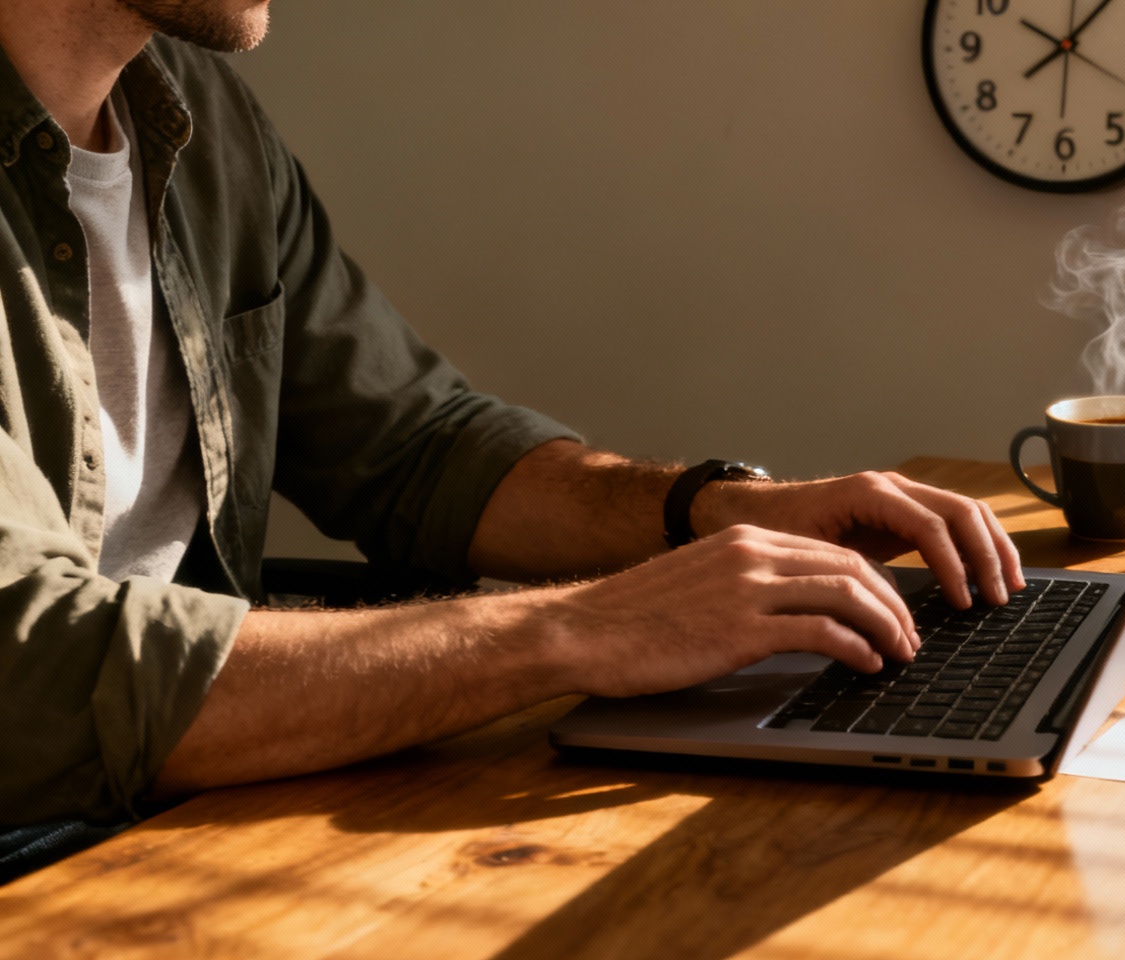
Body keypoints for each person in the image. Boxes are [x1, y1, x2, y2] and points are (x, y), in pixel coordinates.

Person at [0, 0, 1024, 839]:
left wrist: (709, 509)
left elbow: (413, 445)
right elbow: (34, 670)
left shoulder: (201, 118)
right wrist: (575, 629)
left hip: (181, 815)